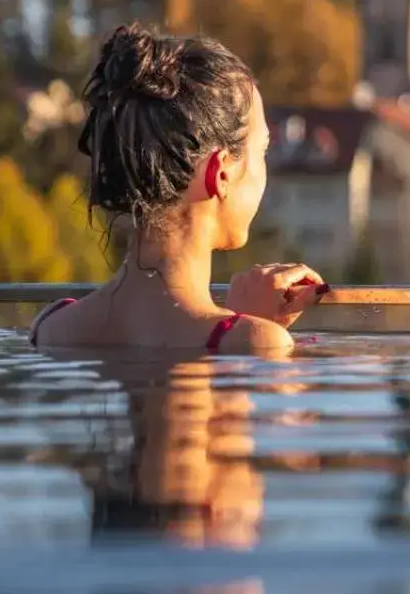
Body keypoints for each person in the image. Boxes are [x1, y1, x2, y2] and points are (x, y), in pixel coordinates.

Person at [29, 23, 327, 355]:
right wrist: (246, 331)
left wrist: (238, 324)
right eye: (262, 151)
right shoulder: (252, 341)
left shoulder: (51, 326)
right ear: (221, 173)